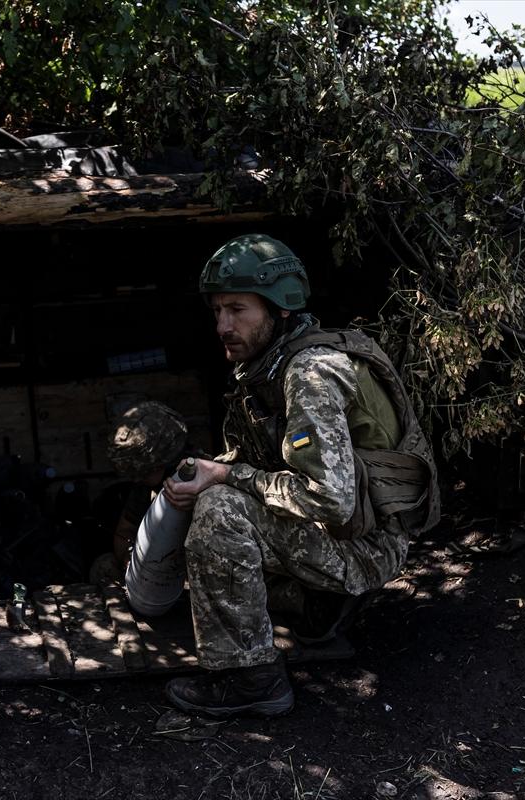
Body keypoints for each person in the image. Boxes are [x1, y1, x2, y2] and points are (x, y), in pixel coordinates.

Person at [162, 234, 440, 719]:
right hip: (349, 532)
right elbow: (267, 462)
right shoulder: (269, 366)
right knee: (217, 495)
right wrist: (214, 471)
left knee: (220, 512)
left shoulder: (310, 375)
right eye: (216, 311)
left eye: (237, 309)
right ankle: (317, 604)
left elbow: (329, 499)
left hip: (366, 544)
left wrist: (226, 477)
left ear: (279, 309)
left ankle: (251, 678)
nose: (223, 325)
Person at [93, 402, 200, 585]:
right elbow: (124, 532)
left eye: (142, 472)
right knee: (104, 566)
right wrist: (128, 558)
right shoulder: (147, 486)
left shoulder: (200, 481)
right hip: (155, 572)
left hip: (194, 574)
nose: (136, 479)